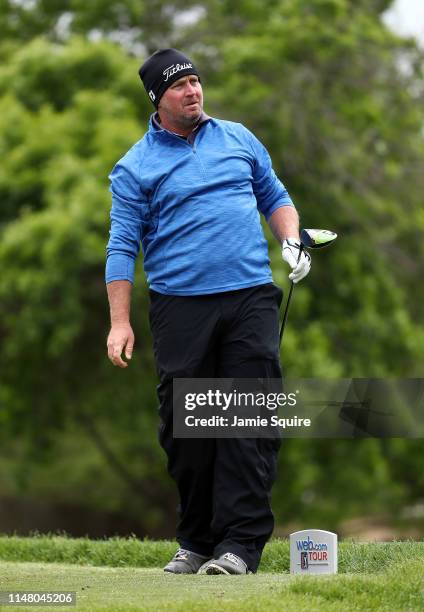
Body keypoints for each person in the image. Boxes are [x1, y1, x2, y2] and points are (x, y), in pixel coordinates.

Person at [105, 49, 311, 575]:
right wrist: (120, 321)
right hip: (180, 309)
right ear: (158, 99)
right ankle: (196, 540)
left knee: (247, 421)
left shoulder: (239, 137)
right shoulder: (135, 167)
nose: (193, 91)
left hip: (250, 298)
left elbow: (275, 196)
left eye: (196, 81)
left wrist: (291, 242)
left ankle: (239, 547)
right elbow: (121, 247)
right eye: (180, 86)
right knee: (186, 429)